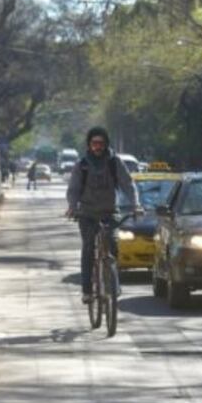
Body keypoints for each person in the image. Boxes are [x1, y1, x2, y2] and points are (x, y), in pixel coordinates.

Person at [65, 127, 140, 304]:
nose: (97, 147)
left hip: (109, 212)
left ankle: (113, 282)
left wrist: (136, 204)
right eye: (94, 143)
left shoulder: (115, 163)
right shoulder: (81, 165)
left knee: (113, 244)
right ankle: (87, 291)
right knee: (88, 249)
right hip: (87, 214)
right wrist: (72, 206)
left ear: (106, 144)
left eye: (100, 143)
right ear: (89, 145)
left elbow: (128, 185)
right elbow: (74, 189)